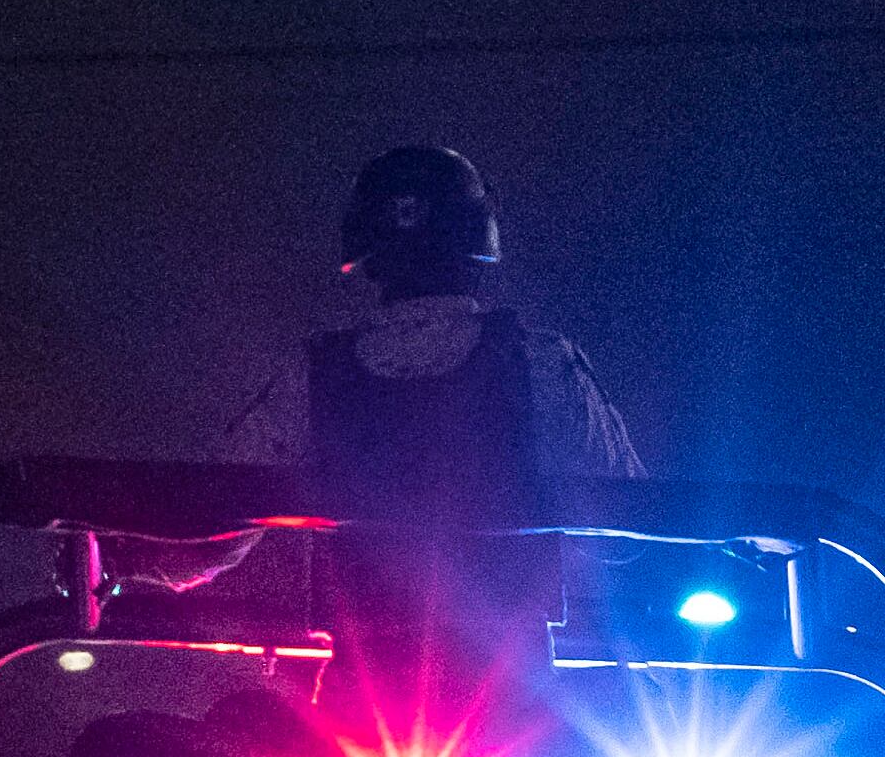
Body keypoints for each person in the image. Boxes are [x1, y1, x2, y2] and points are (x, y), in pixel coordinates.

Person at [228, 145, 644, 505]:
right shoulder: (543, 363)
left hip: (352, 601)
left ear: (369, 258)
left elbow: (201, 534)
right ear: (478, 241)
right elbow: (626, 532)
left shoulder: (311, 375)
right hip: (510, 602)